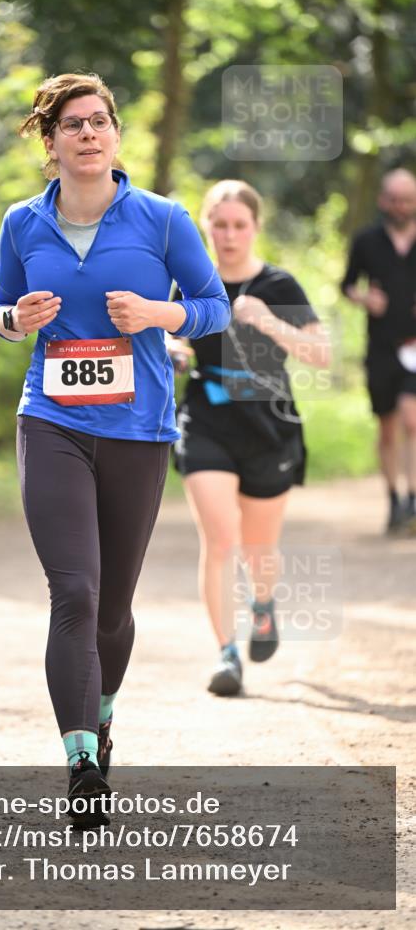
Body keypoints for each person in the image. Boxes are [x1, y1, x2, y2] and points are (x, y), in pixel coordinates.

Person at [0, 73, 230, 821]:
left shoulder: (161, 219)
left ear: (115, 135)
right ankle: (80, 763)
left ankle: (104, 720)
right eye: (72, 125)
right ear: (49, 141)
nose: (88, 134)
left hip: (138, 429)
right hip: (52, 421)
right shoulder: (22, 223)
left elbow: (214, 307)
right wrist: (15, 320)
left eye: (99, 122)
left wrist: (157, 311)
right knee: (75, 592)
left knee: (113, 609)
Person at [169, 180, 330, 697]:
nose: (229, 235)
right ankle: (226, 653)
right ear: (205, 227)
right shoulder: (192, 283)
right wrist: (174, 351)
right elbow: (168, 334)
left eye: (239, 225)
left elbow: (320, 353)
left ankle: (263, 604)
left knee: (259, 548)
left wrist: (267, 322)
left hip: (267, 424)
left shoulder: (280, 285)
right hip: (205, 417)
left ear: (255, 227)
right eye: (219, 224)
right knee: (220, 539)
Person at [341, 168, 416, 532]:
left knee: (412, 419)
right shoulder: (367, 240)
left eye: (409, 200)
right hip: (381, 346)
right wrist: (365, 298)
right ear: (383, 200)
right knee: (387, 428)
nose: (402, 207)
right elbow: (347, 285)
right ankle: (394, 500)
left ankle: (414, 499)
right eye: (396, 200)